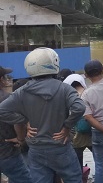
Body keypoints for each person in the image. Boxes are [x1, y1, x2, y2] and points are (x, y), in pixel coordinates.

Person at [0, 48, 85, 182]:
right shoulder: (64, 88)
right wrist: (67, 126)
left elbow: (2, 111)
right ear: (54, 63)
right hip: (61, 147)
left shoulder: (22, 91)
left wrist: (25, 120)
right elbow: (79, 107)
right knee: (73, 178)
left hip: (36, 149)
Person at [0, 66, 32, 183]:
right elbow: (19, 122)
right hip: (7, 151)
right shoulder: (7, 99)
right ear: (1, 79)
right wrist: (21, 139)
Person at [62, 74, 92, 175]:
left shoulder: (70, 97)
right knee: (102, 162)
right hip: (93, 131)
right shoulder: (90, 93)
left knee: (77, 164)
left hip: (76, 135)